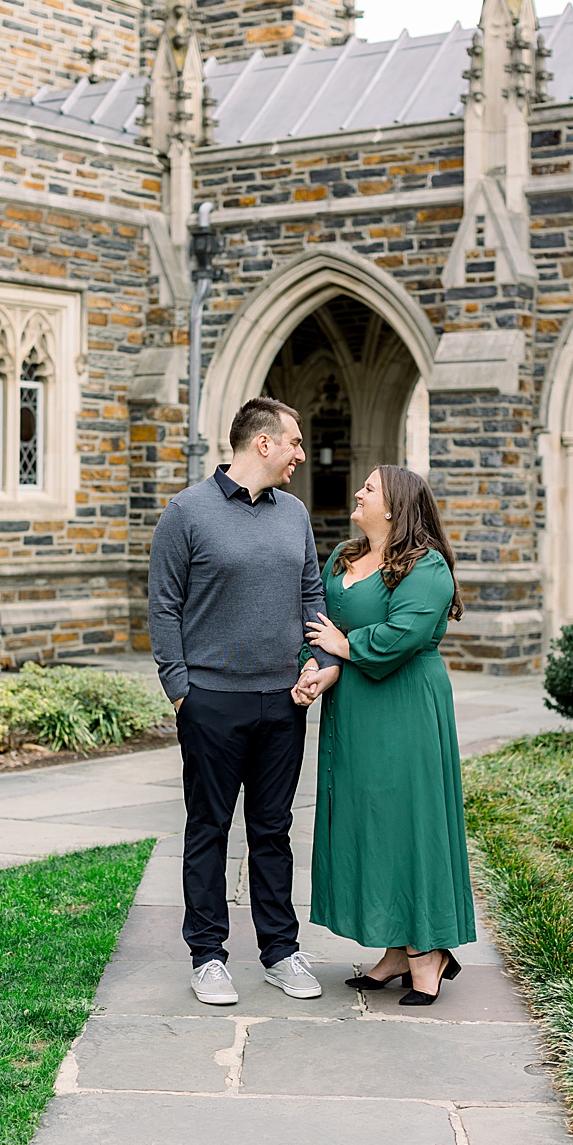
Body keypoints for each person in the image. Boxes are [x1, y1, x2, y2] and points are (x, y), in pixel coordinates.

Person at [148, 397, 341, 1005]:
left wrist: (319, 663)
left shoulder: (295, 513)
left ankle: (282, 952)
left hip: (283, 702)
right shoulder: (187, 512)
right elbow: (163, 606)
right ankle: (208, 956)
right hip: (211, 703)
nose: (299, 455)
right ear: (263, 444)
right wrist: (181, 691)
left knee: (273, 831)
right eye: (293, 442)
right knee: (208, 828)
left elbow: (312, 594)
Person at [301, 464, 477, 1006]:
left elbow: (402, 635)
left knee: (408, 820)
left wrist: (342, 646)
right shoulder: (342, 558)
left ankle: (429, 951)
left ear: (396, 507)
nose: (358, 492)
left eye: (370, 488)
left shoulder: (427, 570)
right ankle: (397, 948)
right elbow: (318, 626)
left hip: (405, 708)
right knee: (366, 818)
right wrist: (321, 666)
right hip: (353, 706)